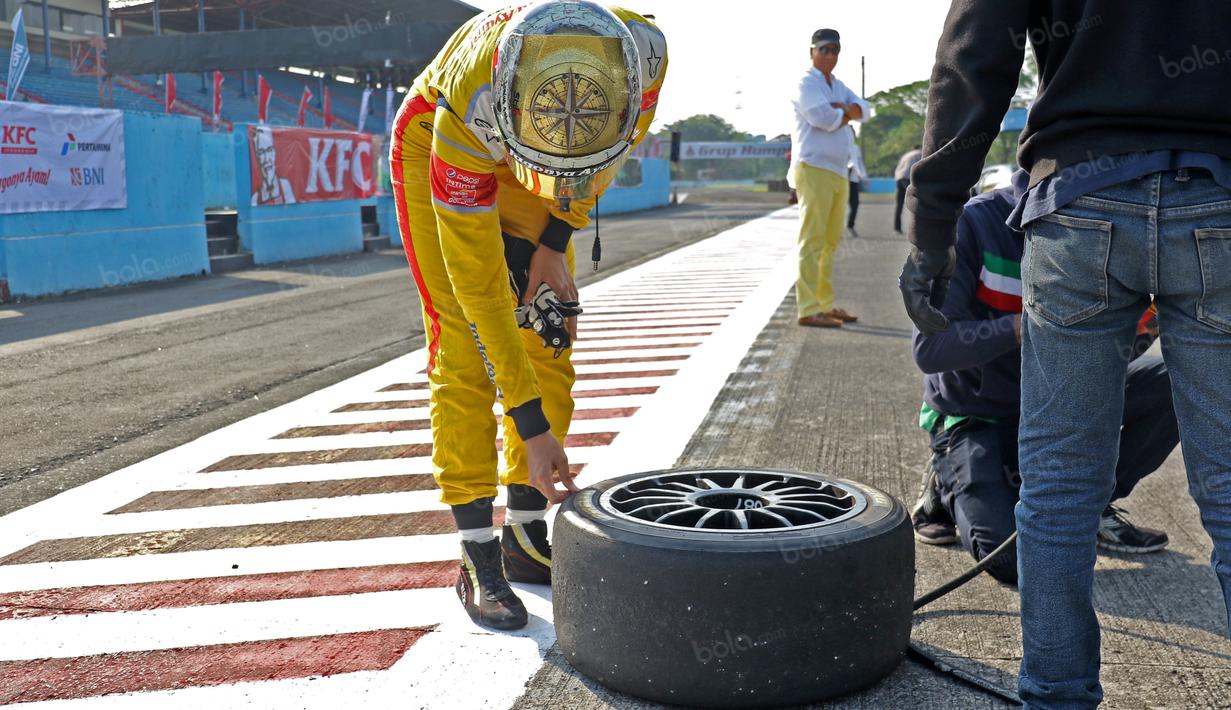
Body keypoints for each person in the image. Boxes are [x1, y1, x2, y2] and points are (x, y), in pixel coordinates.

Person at [898, 2, 1231, 706]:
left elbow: (973, 54)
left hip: (1078, 196)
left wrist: (931, 227)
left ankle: (1056, 696)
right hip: (1217, 193)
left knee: (1058, 493)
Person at [389, 0, 667, 631]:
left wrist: (553, 237)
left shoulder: (645, 54)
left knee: (548, 325)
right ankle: (477, 551)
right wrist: (533, 426)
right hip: (439, 148)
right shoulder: (469, 112)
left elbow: (595, 169)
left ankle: (522, 529)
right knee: (462, 344)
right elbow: (482, 297)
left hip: (545, 150)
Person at [909, 170, 1178, 583]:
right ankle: (944, 489)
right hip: (976, 413)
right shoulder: (974, 224)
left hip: (1056, 405)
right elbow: (930, 351)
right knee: (1012, 562)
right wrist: (1027, 325)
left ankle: (1089, 505)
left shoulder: (1113, 226)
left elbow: (1111, 358)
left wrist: (1146, 324)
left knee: (1177, 385)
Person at [790, 28, 869, 329]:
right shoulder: (805, 83)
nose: (830, 55)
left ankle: (824, 304)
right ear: (811, 52)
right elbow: (821, 118)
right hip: (813, 167)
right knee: (812, 239)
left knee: (830, 241)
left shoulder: (838, 85)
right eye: (824, 49)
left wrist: (844, 109)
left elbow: (867, 110)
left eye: (835, 50)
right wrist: (847, 112)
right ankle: (808, 308)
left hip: (838, 170)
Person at [846, 125, 868, 237]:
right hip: (840, 179)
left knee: (855, 204)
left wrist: (864, 177)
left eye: (852, 132)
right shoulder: (839, 145)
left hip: (853, 180)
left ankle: (850, 225)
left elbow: (859, 163)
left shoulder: (855, 148)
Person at [892, 145, 920, 234]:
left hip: (899, 178)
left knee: (899, 204)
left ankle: (897, 228)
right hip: (908, 178)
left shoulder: (906, 155)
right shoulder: (919, 153)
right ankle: (917, 228)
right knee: (917, 202)